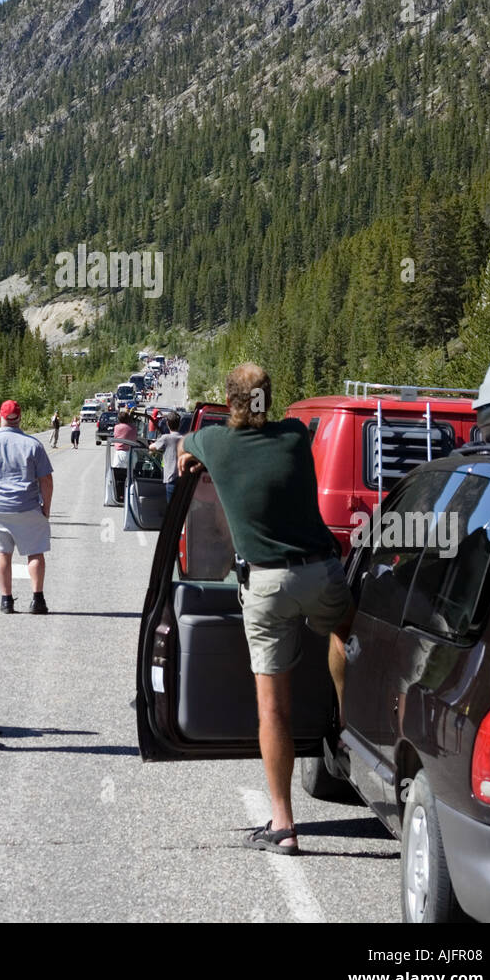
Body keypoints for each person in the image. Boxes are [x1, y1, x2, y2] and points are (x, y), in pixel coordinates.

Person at [178, 363, 353, 856]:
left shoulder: (214, 443)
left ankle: (284, 823)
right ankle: (345, 722)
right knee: (346, 628)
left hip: (267, 585)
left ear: (230, 402)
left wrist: (187, 458)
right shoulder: (296, 436)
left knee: (272, 705)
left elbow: (181, 447)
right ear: (268, 400)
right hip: (320, 572)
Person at [0, 400, 53, 615]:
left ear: (0, 418)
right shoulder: (33, 445)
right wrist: (46, 508)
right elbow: (46, 480)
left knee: (1, 553)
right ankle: (38, 599)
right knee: (35, 553)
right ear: (19, 418)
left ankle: (6, 600)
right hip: (28, 506)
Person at [149, 410, 183, 502]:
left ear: (167, 424)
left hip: (171, 479)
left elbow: (152, 447)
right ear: (179, 424)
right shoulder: (184, 439)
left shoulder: (165, 438)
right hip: (183, 480)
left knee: (171, 508)